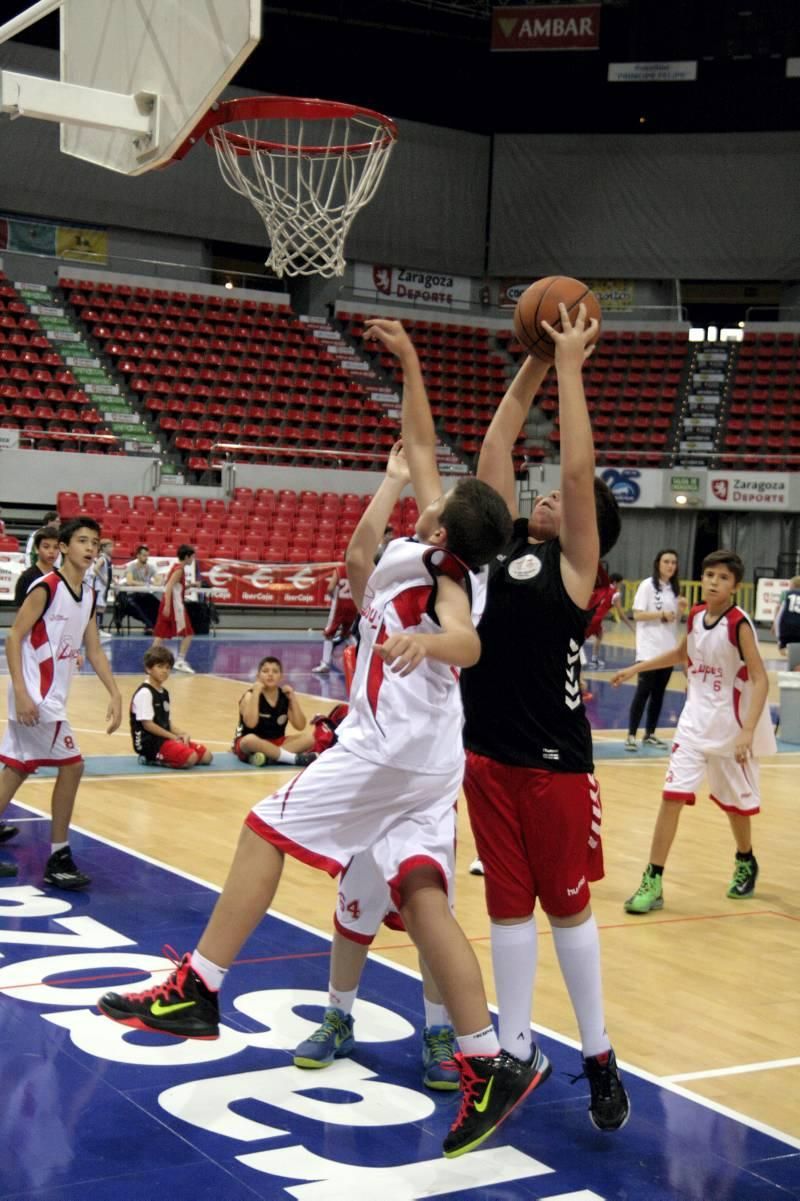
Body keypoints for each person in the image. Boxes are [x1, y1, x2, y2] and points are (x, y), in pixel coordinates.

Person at [97, 321, 544, 1162]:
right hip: (429, 758)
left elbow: (468, 641)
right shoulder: (441, 546)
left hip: (390, 749)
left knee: (263, 827)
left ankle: (199, 986)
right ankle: (490, 1060)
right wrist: (408, 362)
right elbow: (420, 443)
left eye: (437, 500)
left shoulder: (446, 573)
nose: (431, 489)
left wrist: (428, 645)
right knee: (423, 897)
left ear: (443, 531)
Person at [460, 301, 630, 1134]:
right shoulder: (499, 549)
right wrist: (531, 356)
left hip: (555, 768)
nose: (550, 498)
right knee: (505, 908)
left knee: (566, 912)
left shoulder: (575, 569)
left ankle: (598, 1054)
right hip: (487, 756)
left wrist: (569, 363)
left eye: (569, 500)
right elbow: (496, 448)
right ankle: (517, 1048)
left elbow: (575, 468)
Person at [613, 549, 775, 912]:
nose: (714, 582)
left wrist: (748, 731)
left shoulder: (739, 624)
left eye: (723, 578)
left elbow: (760, 678)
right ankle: (653, 880)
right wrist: (636, 668)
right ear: (701, 578)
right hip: (691, 727)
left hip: (728, 729)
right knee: (671, 798)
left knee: (736, 807)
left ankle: (746, 859)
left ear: (735, 586)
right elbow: (679, 655)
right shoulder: (697, 616)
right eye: (709, 575)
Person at [0, 516, 122, 887]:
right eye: (83, 541)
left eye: (95, 543)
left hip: (48, 697)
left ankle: (58, 856)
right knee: (73, 766)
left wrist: (115, 692)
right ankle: (58, 857)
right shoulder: (46, 587)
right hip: (37, 696)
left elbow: (94, 649)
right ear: (64, 547)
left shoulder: (89, 594)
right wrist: (22, 691)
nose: (90, 548)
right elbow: (13, 637)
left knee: (16, 769)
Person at [292, 847, 460, 1091]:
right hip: (370, 828)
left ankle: (439, 1032)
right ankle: (338, 1018)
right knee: (353, 917)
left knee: (434, 924)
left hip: (428, 828)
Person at [624, 548, 687, 750]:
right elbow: (637, 614)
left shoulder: (673, 589)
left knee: (659, 693)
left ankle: (650, 734)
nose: (670, 566)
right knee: (643, 691)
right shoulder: (647, 586)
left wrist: (680, 611)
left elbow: (674, 619)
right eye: (666, 561)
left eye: (673, 563)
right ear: (658, 563)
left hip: (667, 650)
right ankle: (631, 735)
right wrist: (660, 614)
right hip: (649, 649)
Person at [130, 647, 212, 769]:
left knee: (207, 756)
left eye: (168, 668)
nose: (164, 671)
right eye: (160, 667)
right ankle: (150, 759)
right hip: (150, 744)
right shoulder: (145, 693)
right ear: (148, 669)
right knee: (191, 758)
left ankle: (173, 754)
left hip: (164, 739)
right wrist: (173, 737)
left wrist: (182, 733)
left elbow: (166, 723)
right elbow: (148, 725)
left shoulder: (164, 693)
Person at [232, 655, 317, 767]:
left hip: (277, 742)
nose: (270, 674)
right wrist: (256, 693)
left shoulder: (284, 696)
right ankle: (292, 759)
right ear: (258, 676)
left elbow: (300, 725)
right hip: (252, 742)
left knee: (310, 738)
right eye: (265, 671)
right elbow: (251, 723)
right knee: (249, 740)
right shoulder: (250, 695)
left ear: (281, 676)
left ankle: (269, 757)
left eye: (275, 671)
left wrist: (293, 698)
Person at [151, 544, 196, 673]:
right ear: (186, 557)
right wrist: (167, 606)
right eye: (192, 557)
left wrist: (190, 585)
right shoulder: (179, 569)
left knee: (160, 634)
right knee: (188, 633)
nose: (193, 559)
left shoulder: (176, 567)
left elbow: (175, 586)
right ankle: (180, 661)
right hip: (174, 606)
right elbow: (169, 586)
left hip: (169, 604)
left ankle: (149, 661)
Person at [311, 565, 358, 675]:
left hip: (339, 606)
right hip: (353, 605)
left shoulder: (340, 569)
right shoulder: (358, 569)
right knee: (347, 634)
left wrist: (333, 597)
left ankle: (325, 664)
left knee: (328, 634)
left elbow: (330, 588)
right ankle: (362, 659)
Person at [587, 570, 633, 667]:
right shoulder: (615, 594)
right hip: (595, 619)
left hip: (589, 615)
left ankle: (594, 659)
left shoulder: (602, 588)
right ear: (615, 582)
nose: (620, 586)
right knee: (578, 640)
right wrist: (631, 627)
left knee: (599, 635)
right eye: (620, 584)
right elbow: (621, 615)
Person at [13, 524, 60, 608]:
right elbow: (20, 610)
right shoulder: (26, 577)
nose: (51, 551)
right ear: (36, 549)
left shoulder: (61, 575)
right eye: (46, 547)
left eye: (56, 547)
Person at [122, 544, 160, 632]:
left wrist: (156, 582)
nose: (146, 558)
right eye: (144, 555)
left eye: (147, 555)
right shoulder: (132, 567)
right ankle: (150, 626)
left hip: (144, 595)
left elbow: (159, 580)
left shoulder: (150, 567)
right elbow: (130, 581)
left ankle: (153, 625)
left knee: (158, 605)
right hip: (132, 595)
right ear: (138, 555)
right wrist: (145, 584)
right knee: (138, 607)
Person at [87, 538, 114, 640]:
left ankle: (98, 629)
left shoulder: (107, 558)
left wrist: (113, 581)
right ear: (103, 548)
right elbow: (95, 568)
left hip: (104, 587)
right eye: (110, 546)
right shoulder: (102, 558)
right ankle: (98, 629)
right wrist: (103, 579)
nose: (112, 549)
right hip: (100, 586)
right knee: (99, 608)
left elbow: (107, 572)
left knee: (101, 607)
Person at [775, 575, 800, 671]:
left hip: (787, 628)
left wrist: (780, 640)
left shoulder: (786, 594)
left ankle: (792, 669)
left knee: (788, 653)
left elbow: (779, 612)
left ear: (793, 585)